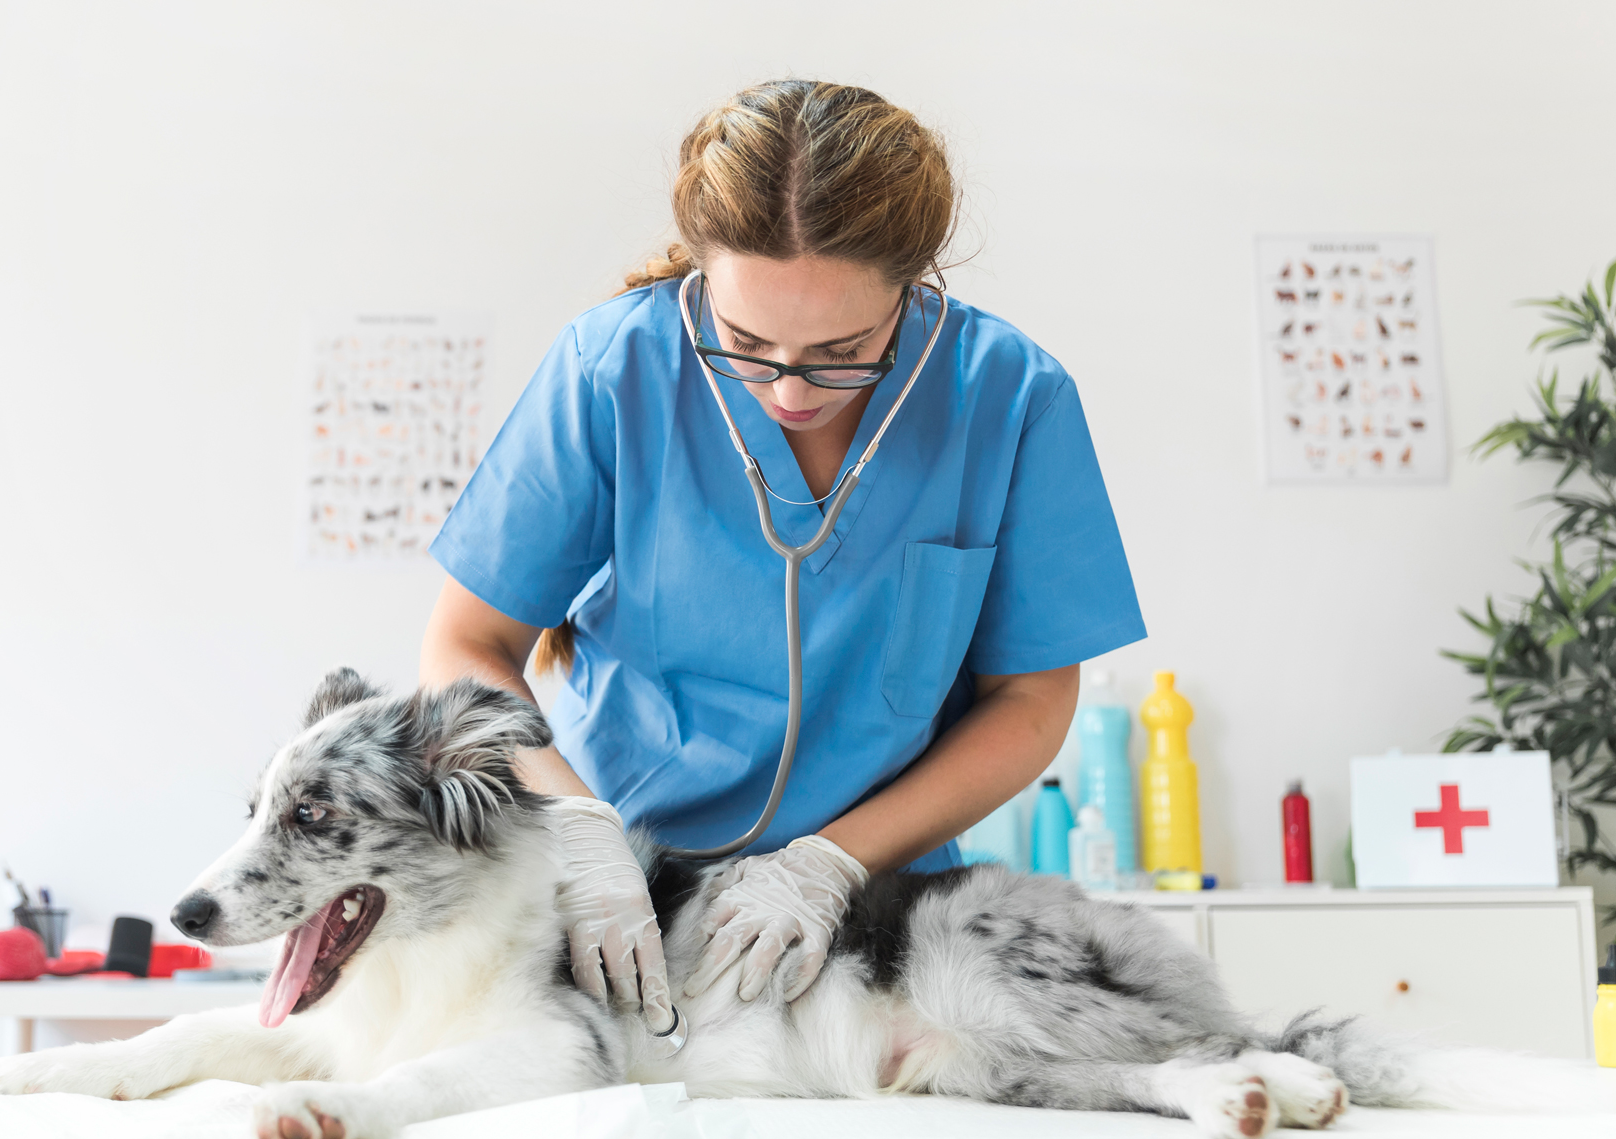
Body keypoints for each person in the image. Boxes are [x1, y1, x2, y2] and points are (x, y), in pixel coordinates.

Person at [418, 80, 1145, 1037]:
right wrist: (581, 834)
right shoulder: (613, 370)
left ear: (914, 286)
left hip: (874, 911)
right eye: (746, 342)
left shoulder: (1009, 398)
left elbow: (1033, 701)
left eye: (843, 349)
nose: (790, 390)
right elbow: (466, 648)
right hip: (623, 903)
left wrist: (829, 864)